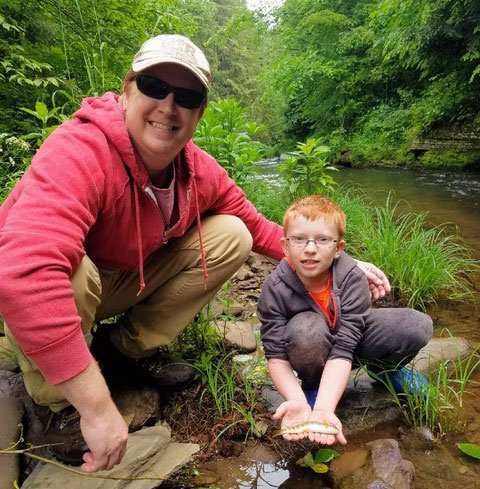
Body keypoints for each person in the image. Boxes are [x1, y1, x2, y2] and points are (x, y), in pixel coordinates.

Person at [0, 35, 390, 472]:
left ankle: (123, 353)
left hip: (122, 279)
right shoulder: (79, 150)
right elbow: (24, 274)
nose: (169, 106)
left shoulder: (196, 168)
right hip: (64, 289)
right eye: (153, 87)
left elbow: (262, 229)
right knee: (63, 271)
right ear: (127, 90)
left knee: (232, 233)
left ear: (199, 113)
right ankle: (61, 405)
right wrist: (96, 408)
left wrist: (344, 261)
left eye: (186, 96)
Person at [257, 195, 433, 446]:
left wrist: (326, 407)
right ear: (284, 246)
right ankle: (312, 387)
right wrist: (295, 399)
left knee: (416, 325)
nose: (309, 248)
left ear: (338, 248)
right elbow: (276, 356)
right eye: (299, 239)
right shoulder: (274, 289)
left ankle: (384, 369)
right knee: (307, 329)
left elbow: (345, 346)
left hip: (348, 344)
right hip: (309, 345)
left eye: (322, 240)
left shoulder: (352, 277)